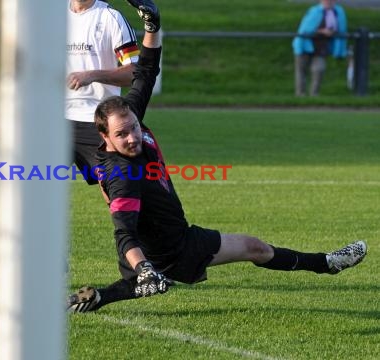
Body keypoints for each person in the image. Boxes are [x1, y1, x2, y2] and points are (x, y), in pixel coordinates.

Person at [68, 0, 367, 313]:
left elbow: (145, 71)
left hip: (176, 235)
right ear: (104, 138)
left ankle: (100, 297)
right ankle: (327, 263)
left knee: (255, 248)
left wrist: (152, 28)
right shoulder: (120, 174)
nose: (131, 137)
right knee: (251, 249)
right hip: (171, 248)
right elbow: (124, 232)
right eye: (121, 135)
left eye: (132, 127)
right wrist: (143, 267)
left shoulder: (131, 117)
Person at [67, 0, 140, 185]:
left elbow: (134, 72)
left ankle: (125, 215)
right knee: (34, 180)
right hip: (55, 118)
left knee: (114, 182)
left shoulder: (110, 17)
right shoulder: (51, 16)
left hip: (95, 117)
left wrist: (92, 75)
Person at [292, 0, 348, 96]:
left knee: (319, 69)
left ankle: (314, 94)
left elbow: (340, 29)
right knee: (301, 70)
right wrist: (320, 31)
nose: (329, 2)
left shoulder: (338, 12)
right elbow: (306, 29)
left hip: (321, 47)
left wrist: (332, 33)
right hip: (305, 45)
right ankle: (300, 94)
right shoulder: (314, 11)